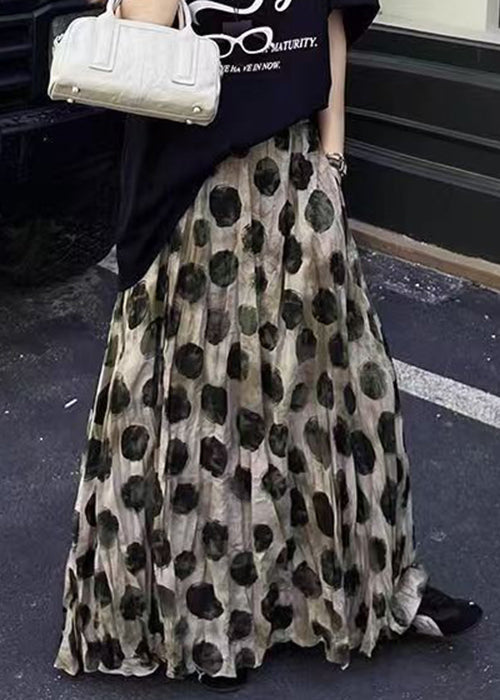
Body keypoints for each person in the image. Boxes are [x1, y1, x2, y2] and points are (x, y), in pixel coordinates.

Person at [53, 0, 483, 691]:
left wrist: (333, 160)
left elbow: (330, 26)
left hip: (295, 178)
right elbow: (143, 29)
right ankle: (209, 621)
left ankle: (372, 589)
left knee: (341, 389)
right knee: (205, 410)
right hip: (189, 191)